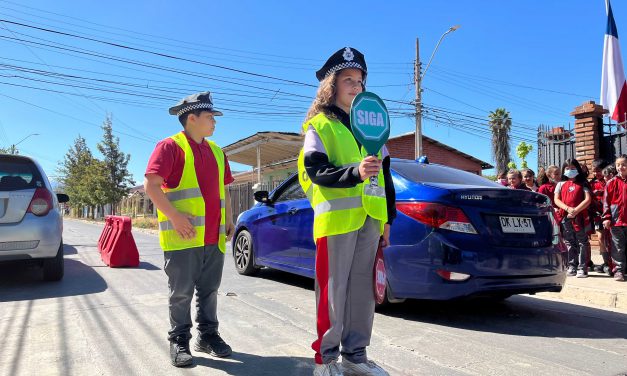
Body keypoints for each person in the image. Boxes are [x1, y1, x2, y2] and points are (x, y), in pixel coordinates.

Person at [298, 47, 395, 376]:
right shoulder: (319, 126)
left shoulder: (374, 127)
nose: (356, 86)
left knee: (362, 292)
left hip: (370, 219)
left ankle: (356, 355)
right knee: (332, 292)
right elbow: (315, 171)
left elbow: (386, 178)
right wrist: (355, 172)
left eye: (360, 80)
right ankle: (325, 360)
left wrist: (387, 220)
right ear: (332, 86)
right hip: (336, 221)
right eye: (348, 80)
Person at [144, 91, 235, 367]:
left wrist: (229, 219)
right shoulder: (170, 147)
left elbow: (225, 190)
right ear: (191, 118)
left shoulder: (218, 152)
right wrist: (174, 217)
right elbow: (151, 186)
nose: (214, 122)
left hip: (213, 237)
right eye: (210, 117)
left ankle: (207, 336)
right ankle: (179, 340)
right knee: (181, 293)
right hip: (183, 238)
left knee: (209, 291)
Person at [554, 159, 592, 278]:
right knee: (569, 242)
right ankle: (572, 266)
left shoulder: (583, 183)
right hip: (565, 217)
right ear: (563, 170)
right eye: (567, 168)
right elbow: (556, 199)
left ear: (578, 169)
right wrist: (567, 209)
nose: (570, 170)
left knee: (582, 241)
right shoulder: (560, 184)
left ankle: (582, 268)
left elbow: (588, 199)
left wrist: (576, 210)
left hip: (580, 217)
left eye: (573, 168)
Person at [602, 155, 627, 281]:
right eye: (618, 165)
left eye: (623, 164)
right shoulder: (611, 183)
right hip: (616, 220)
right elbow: (606, 202)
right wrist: (606, 217)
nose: (621, 167)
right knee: (618, 247)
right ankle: (618, 271)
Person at [590, 159, 610, 272]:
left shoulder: (609, 180)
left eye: (598, 171)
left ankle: (616, 262)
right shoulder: (592, 183)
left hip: (611, 215)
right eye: (594, 171)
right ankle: (606, 262)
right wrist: (593, 195)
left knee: (612, 239)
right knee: (601, 238)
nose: (596, 173)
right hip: (598, 215)